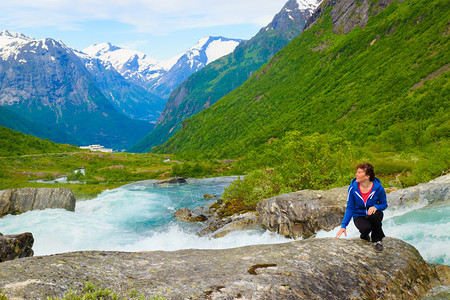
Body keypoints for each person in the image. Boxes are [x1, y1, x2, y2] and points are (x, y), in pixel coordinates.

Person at [335, 163, 388, 252]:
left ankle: (378, 241)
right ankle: (365, 235)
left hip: (373, 214)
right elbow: (350, 208)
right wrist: (343, 226)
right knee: (365, 228)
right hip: (359, 215)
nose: (356, 174)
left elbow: (384, 204)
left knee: (376, 215)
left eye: (359, 172)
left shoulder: (379, 188)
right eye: (357, 172)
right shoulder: (352, 188)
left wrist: (376, 207)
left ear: (367, 176)